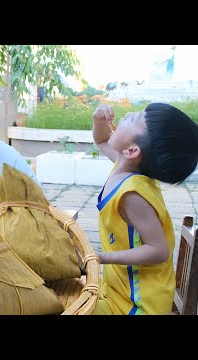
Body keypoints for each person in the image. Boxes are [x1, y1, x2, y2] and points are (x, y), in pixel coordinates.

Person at [91, 102, 198, 315]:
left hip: (138, 306)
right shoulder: (123, 165)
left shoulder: (132, 195)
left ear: (131, 150)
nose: (128, 113)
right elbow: (102, 139)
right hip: (117, 291)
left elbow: (158, 251)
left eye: (133, 118)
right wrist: (99, 122)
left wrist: (100, 257)